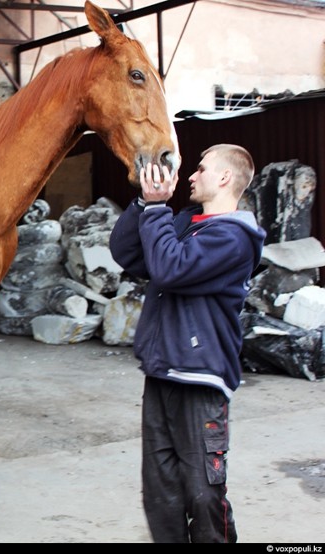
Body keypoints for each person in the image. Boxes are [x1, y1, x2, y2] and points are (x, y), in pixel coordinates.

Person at [109, 144, 266, 543]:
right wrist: (146, 205)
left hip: (200, 378)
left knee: (202, 491)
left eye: (201, 169)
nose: (191, 176)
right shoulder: (187, 224)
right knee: (161, 494)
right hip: (162, 371)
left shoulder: (234, 237)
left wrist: (160, 211)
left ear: (225, 178)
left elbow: (171, 268)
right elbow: (129, 254)